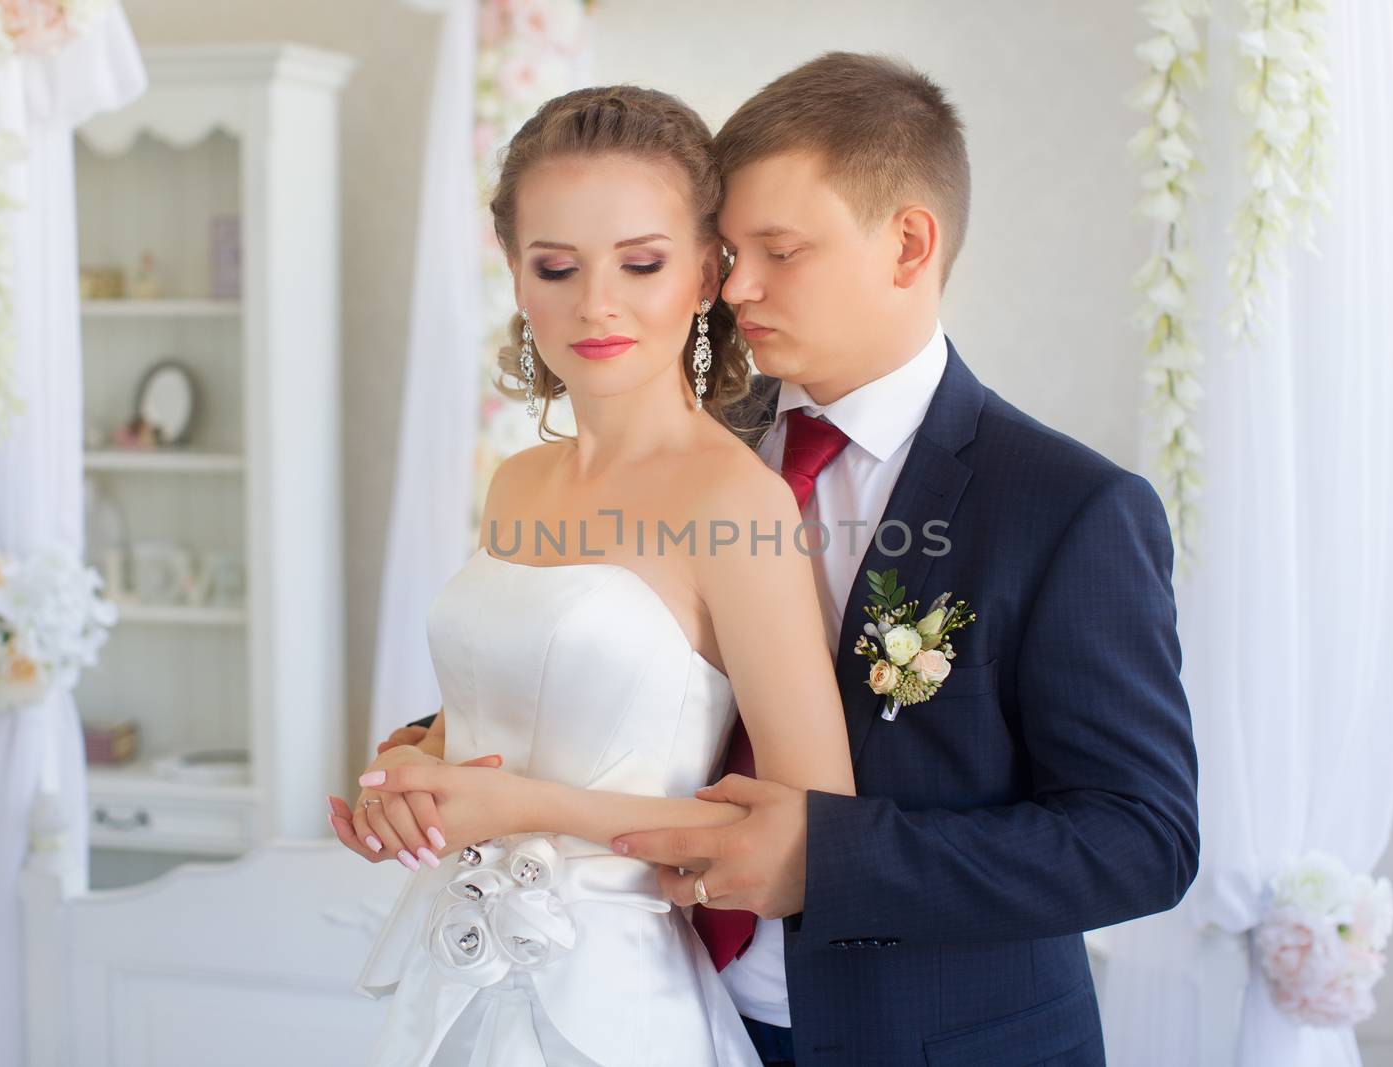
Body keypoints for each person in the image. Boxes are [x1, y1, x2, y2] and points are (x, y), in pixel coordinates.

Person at [339, 53, 1200, 1067]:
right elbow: (586, 677)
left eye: (779, 251)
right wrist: (420, 754)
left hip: (926, 1035)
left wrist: (827, 857)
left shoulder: (1063, 507)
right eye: (728, 250)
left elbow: (1141, 838)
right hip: (665, 996)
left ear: (908, 244)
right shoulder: (676, 429)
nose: (737, 286)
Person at [333, 83, 855, 1067]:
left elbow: (808, 829)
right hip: (459, 980)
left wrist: (531, 809)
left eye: (642, 263)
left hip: (614, 1004)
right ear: (517, 276)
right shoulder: (519, 479)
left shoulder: (730, 499)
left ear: (707, 271)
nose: (596, 303)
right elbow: (493, 716)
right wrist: (407, 780)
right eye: (557, 266)